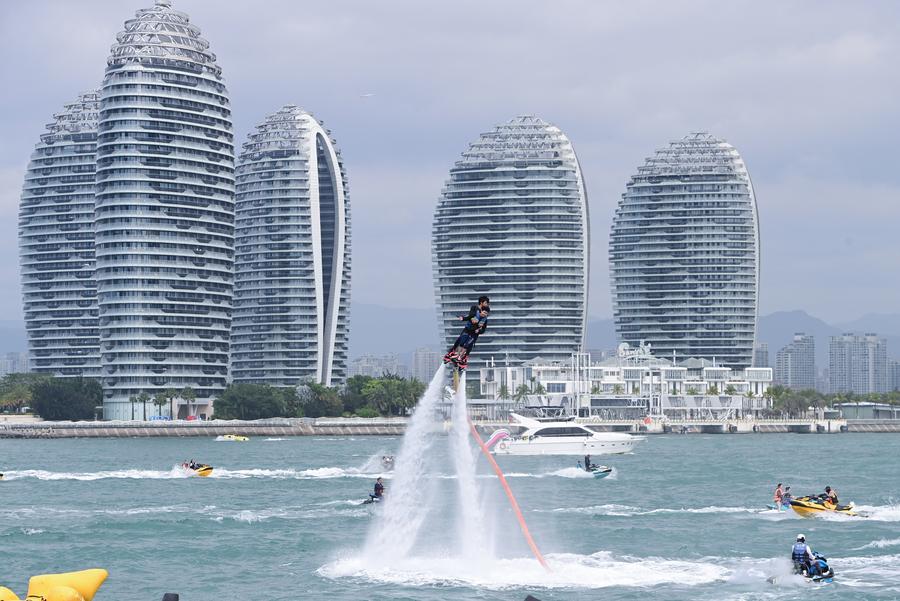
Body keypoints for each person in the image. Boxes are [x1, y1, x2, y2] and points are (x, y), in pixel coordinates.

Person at [443, 296, 490, 366]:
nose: (487, 304)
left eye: (486, 313)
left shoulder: (484, 318)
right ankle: (453, 354)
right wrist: (464, 318)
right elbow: (470, 316)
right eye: (486, 303)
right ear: (481, 302)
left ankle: (462, 358)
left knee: (468, 345)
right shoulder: (475, 308)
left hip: (474, 333)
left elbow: (483, 329)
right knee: (460, 341)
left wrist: (478, 330)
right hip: (468, 329)